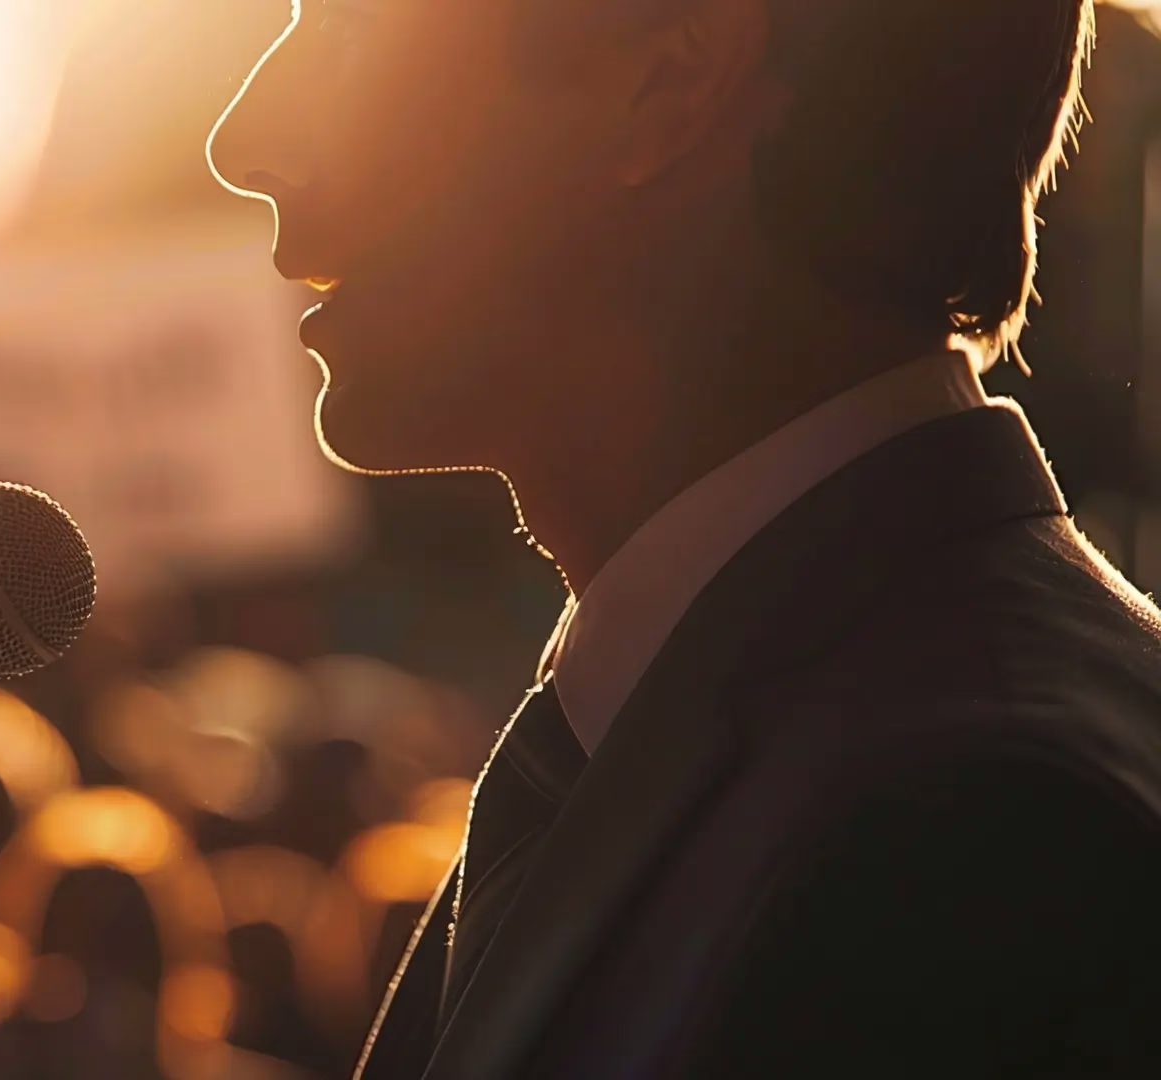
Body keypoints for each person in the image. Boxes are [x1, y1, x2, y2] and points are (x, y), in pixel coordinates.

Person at [209, 1, 1161, 1077]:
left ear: (666, 82)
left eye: (343, 26)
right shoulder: (862, 743)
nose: (243, 142)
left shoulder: (984, 841)